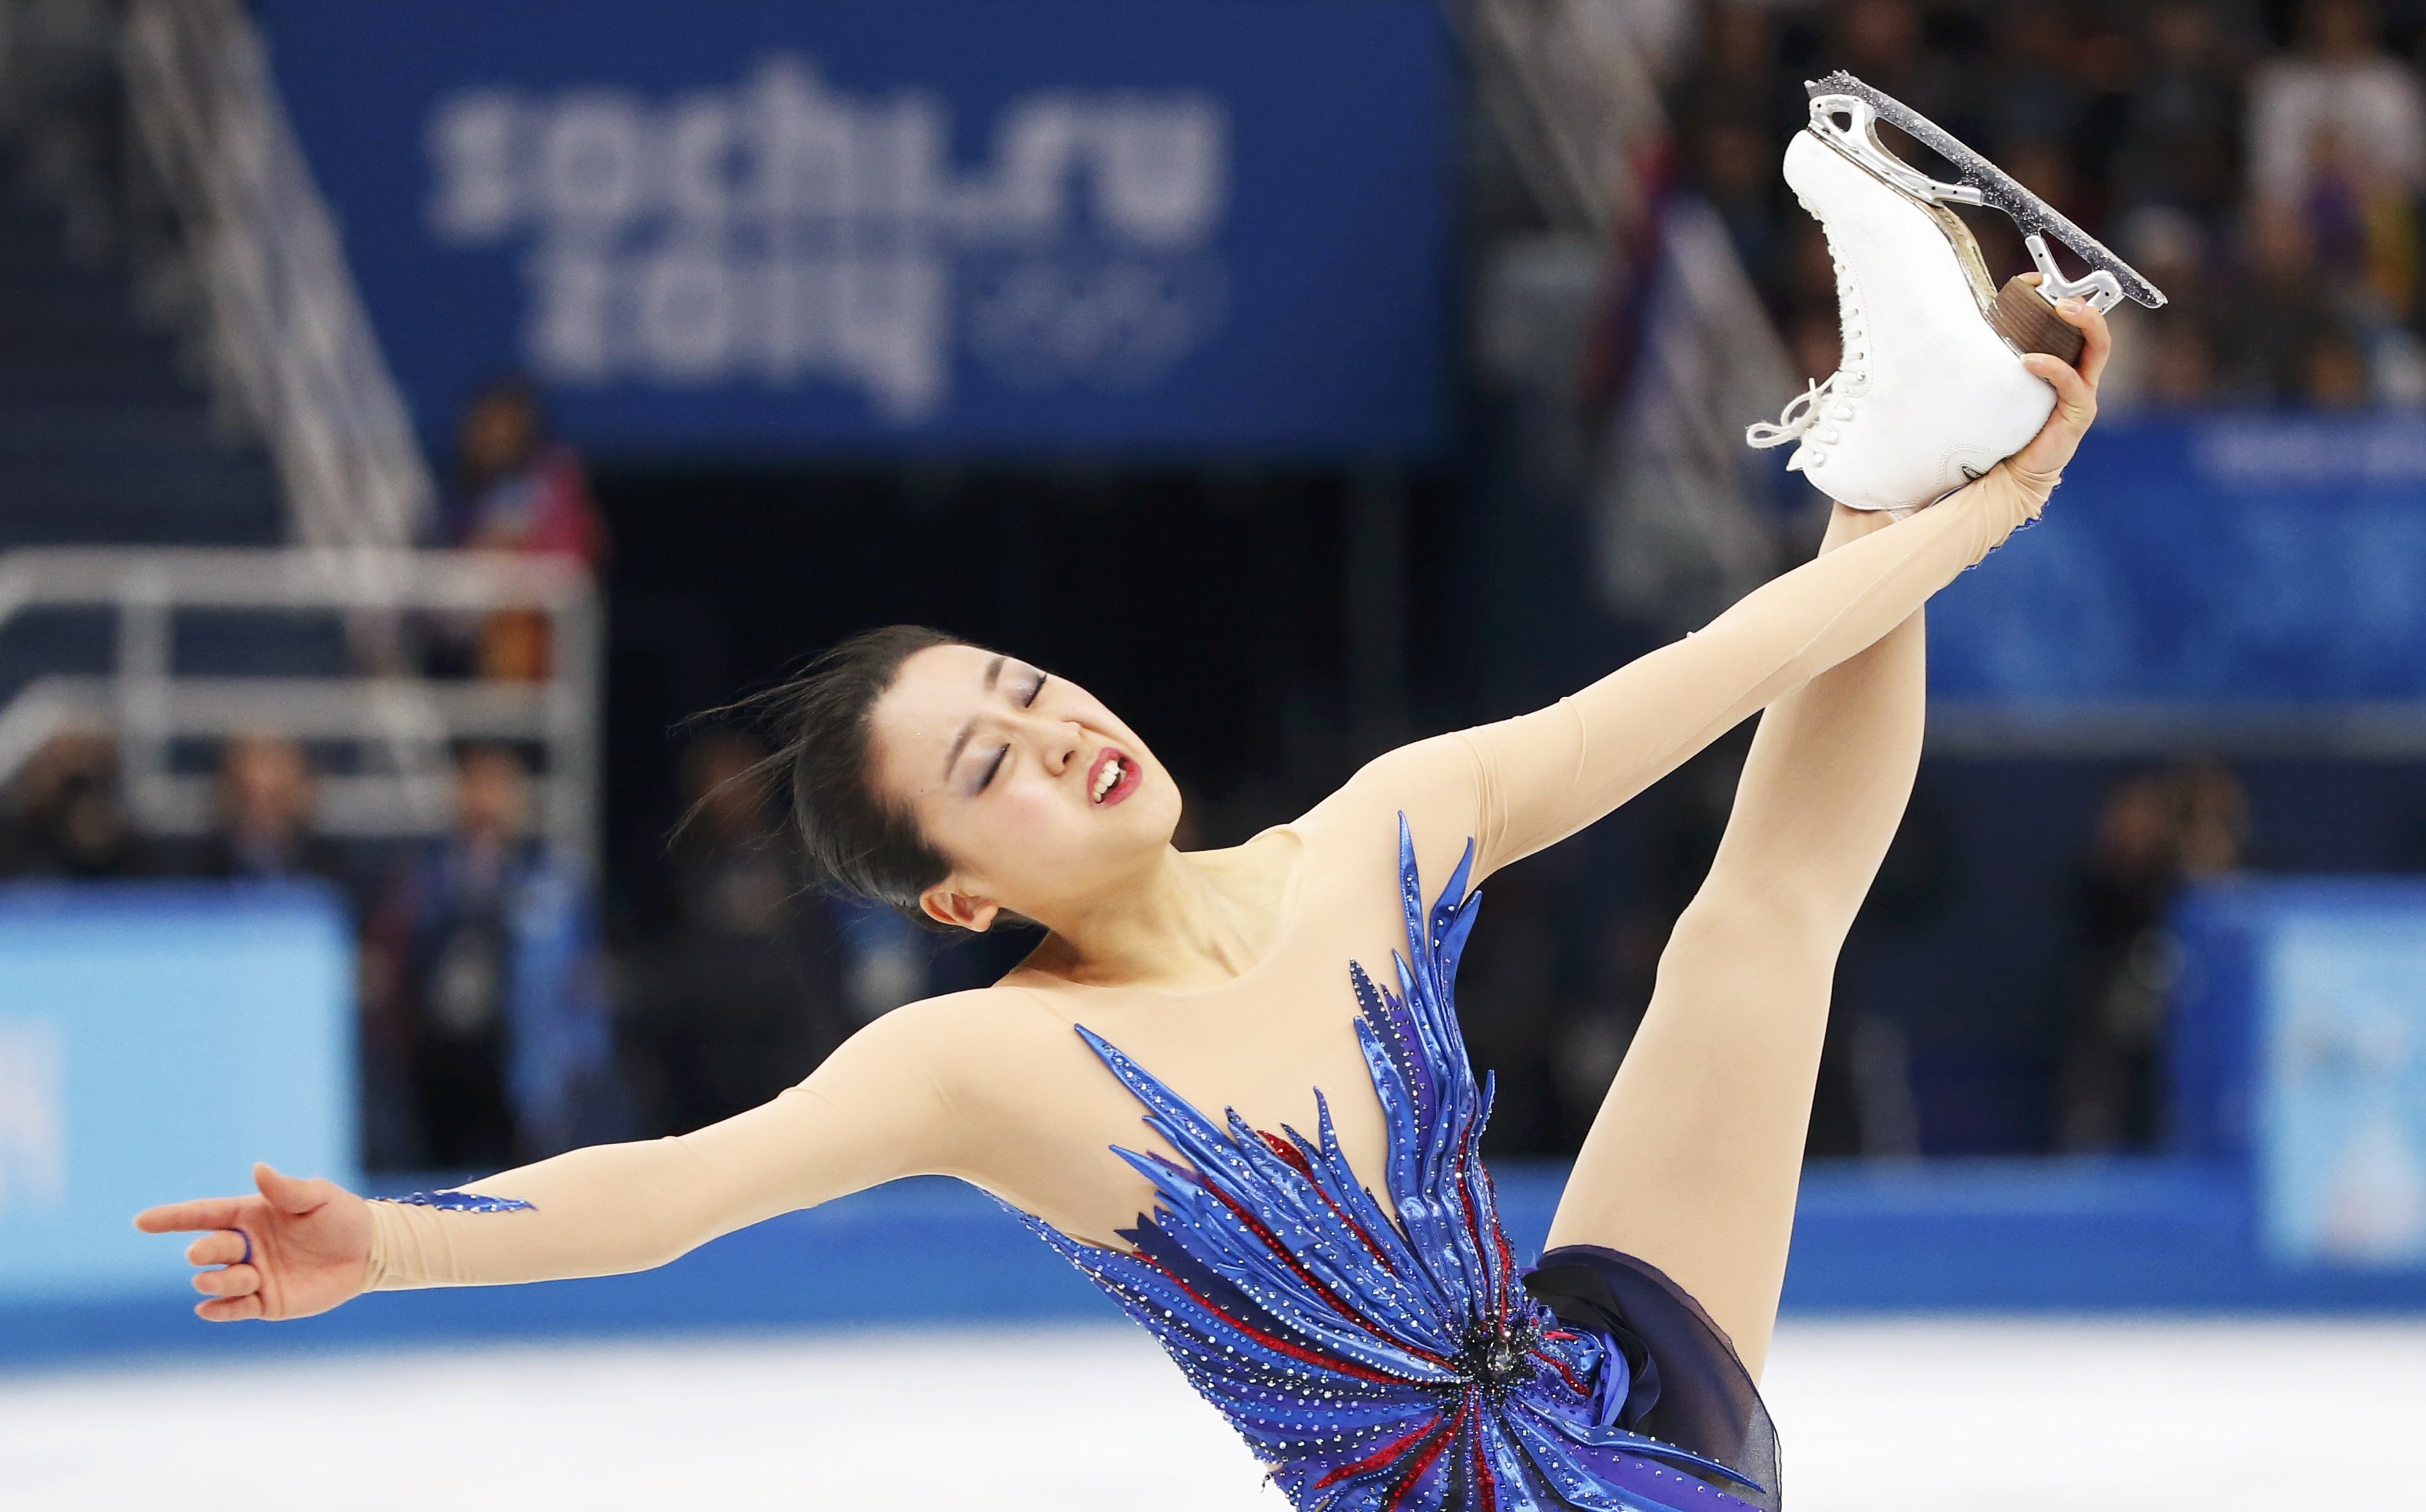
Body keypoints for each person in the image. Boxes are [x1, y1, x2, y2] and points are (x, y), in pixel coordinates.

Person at [139, 302, 2109, 1506]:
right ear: (964, 890)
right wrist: (381, 1242)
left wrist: (1931, 490)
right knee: (1747, 923)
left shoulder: (1382, 828)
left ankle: (1880, 422)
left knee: (1750, 930)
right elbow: (670, 1187)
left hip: (1616, 1397)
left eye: (1023, 686)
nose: (1055, 726)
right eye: (989, 764)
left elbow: (1726, 674)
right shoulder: (985, 1062)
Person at [361, 744, 622, 1170]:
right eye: (475, 784)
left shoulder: (553, 878)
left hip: (520, 1058)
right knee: (435, 1183)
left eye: (500, 786)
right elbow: (390, 960)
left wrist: (583, 1058)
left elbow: (582, 974)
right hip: (436, 1055)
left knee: (519, 1183)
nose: (487, 799)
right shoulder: (422, 875)